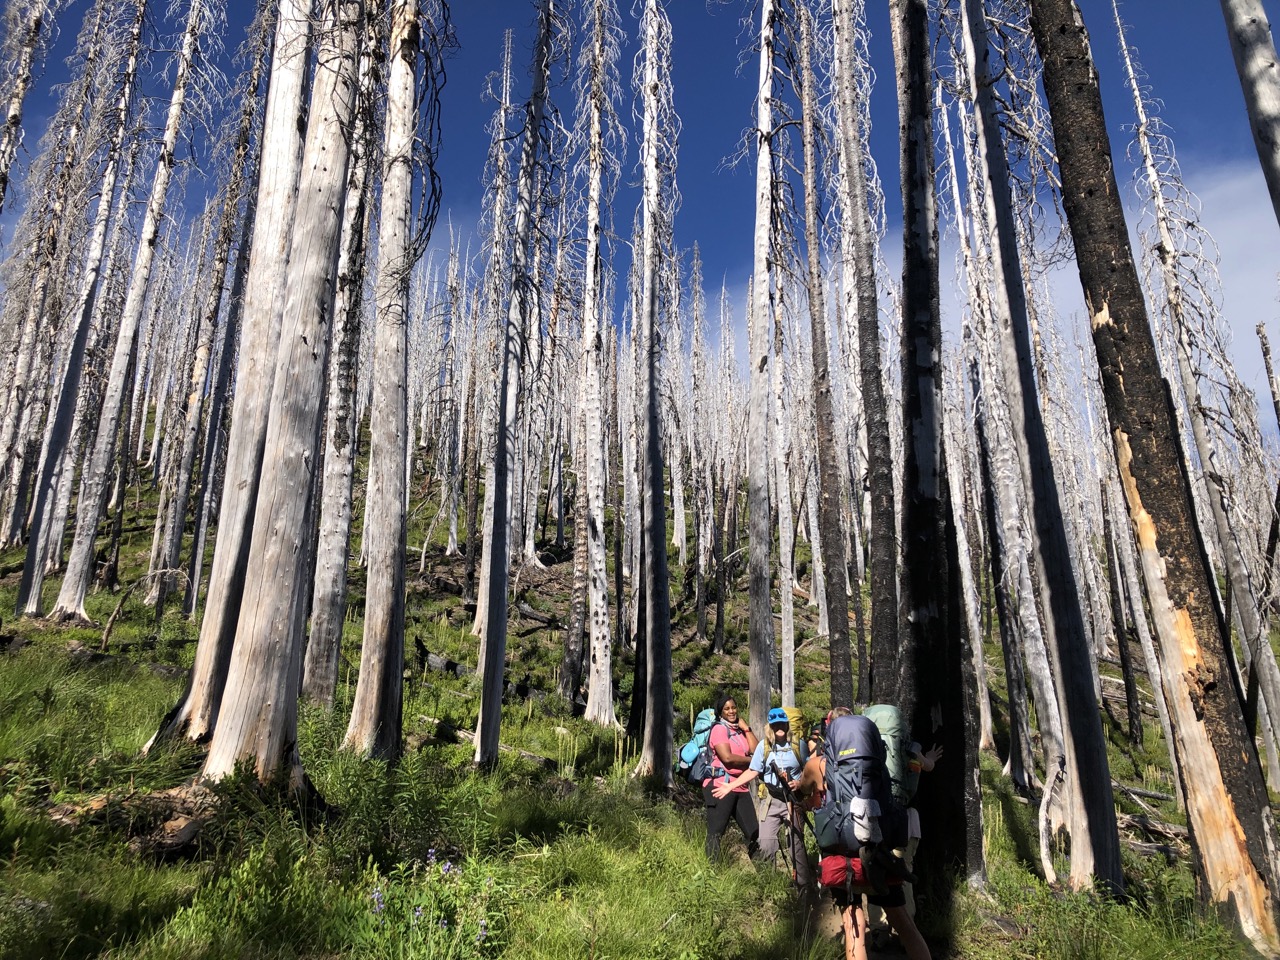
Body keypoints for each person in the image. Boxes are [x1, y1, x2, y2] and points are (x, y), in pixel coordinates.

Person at [794, 714, 937, 960]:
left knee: (853, 926)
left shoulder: (818, 765)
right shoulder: (877, 764)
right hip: (879, 850)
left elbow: (803, 789)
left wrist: (802, 795)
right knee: (903, 923)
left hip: (843, 856)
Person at [713, 706, 814, 890]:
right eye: (775, 725)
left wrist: (799, 784)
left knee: (795, 844)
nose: (779, 728)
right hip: (773, 799)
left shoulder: (798, 745)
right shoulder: (764, 746)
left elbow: (809, 771)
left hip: (793, 800)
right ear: (770, 727)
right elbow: (753, 770)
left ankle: (804, 887)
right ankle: (771, 885)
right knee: (766, 842)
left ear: (787, 724)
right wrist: (730, 786)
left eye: (782, 724)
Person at [702, 693, 759, 862]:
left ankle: (764, 876)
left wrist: (746, 728)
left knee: (754, 833)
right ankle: (711, 874)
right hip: (720, 785)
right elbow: (727, 758)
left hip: (739, 786)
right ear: (720, 712)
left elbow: (756, 750)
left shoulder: (739, 731)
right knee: (716, 832)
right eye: (727, 709)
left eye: (733, 707)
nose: (731, 711)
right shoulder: (719, 729)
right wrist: (752, 762)